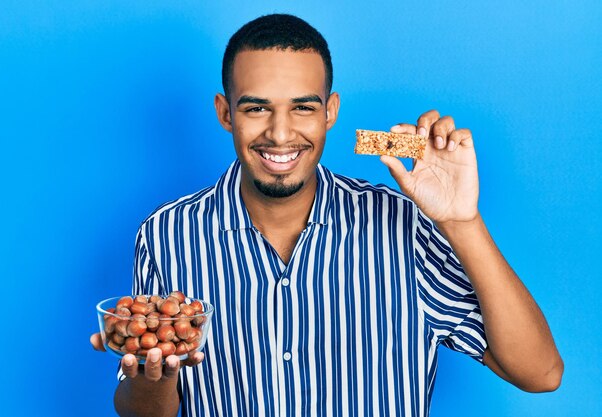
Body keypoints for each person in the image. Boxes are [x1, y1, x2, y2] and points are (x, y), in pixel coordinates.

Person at [91, 13, 563, 417]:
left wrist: (462, 221)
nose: (280, 134)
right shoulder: (167, 234)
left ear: (330, 112)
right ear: (225, 113)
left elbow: (540, 373)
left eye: (303, 108)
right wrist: (153, 372)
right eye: (257, 108)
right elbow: (146, 408)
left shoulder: (401, 225)